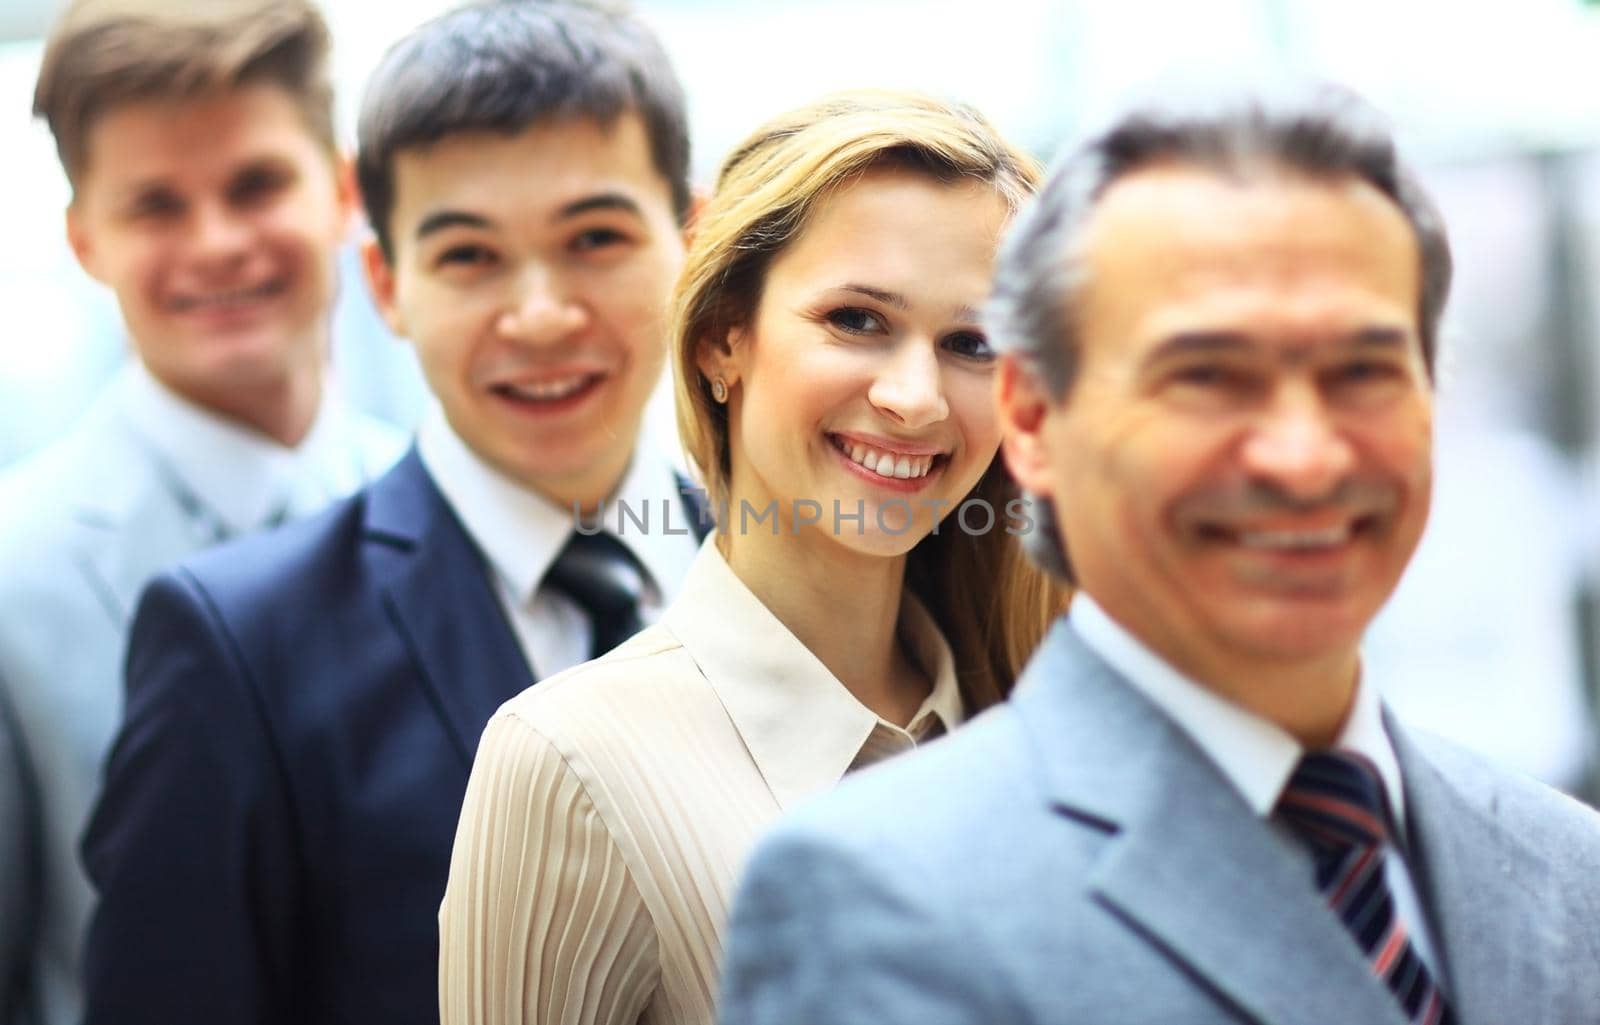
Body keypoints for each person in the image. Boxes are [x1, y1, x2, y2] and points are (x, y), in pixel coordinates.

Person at [717, 86, 1600, 1025]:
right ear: (1034, 418)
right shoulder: (880, 901)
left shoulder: (1569, 864)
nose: (1302, 456)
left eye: (1363, 372)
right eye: (1208, 376)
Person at [78, 3, 701, 1023]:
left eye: (594, 236)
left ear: (691, 239)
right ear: (385, 280)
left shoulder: (786, 571)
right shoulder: (242, 646)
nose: (539, 313)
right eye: (468, 255)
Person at [438, 89, 1064, 1025]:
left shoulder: (1042, 722)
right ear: (723, 339)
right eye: (856, 319)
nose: (916, 397)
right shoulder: (571, 764)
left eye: (971, 342)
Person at [0, 2, 404, 1022]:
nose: (217, 243)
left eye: (256, 185)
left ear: (344, 189)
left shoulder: (451, 509)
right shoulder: (13, 576)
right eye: (156, 206)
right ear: (84, 239)